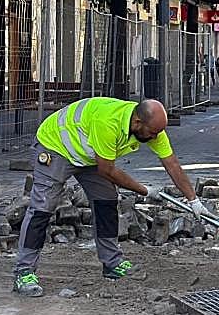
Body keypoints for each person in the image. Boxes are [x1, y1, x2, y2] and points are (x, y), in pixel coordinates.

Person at [12, 97, 205, 297]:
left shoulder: (151, 128)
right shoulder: (107, 122)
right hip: (56, 146)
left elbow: (172, 163)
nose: (156, 137)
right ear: (137, 122)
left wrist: (193, 200)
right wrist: (145, 190)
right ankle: (24, 272)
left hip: (88, 153)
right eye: (153, 133)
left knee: (107, 201)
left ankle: (112, 264)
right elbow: (107, 171)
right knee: (42, 209)